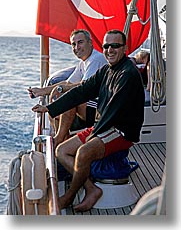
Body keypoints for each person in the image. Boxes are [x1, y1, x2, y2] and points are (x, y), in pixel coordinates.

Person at [32, 29, 145, 212]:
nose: (110, 50)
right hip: (103, 126)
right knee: (62, 151)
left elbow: (113, 113)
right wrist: (49, 108)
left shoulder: (128, 75)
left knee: (83, 152)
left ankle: (69, 197)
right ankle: (91, 188)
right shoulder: (106, 70)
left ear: (124, 48)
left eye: (115, 46)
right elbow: (81, 91)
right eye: (107, 46)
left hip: (120, 131)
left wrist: (92, 136)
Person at [28, 29, 107, 146]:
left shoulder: (96, 59)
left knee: (69, 99)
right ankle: (62, 137)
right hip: (90, 106)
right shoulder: (83, 62)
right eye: (73, 44)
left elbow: (84, 86)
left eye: (80, 42)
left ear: (90, 43)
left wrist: (61, 90)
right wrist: (42, 91)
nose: (76, 47)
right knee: (59, 99)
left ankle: (59, 140)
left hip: (101, 109)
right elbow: (67, 83)